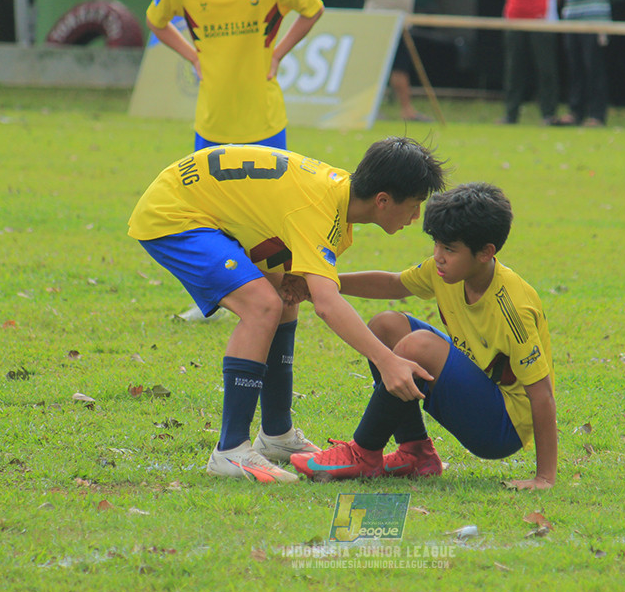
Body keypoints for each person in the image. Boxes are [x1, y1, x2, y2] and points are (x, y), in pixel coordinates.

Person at [128, 138, 448, 483]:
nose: (416, 218)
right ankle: (230, 450)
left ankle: (277, 435)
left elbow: (308, 283)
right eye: (414, 206)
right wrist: (387, 361)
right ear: (383, 201)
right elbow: (326, 304)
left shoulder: (336, 197)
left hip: (202, 202)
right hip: (174, 212)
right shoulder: (319, 210)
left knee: (283, 296)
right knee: (262, 305)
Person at [290, 183, 558, 489]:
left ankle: (363, 451)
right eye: (437, 245)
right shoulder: (445, 271)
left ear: (486, 252)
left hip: (502, 426)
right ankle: (416, 452)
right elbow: (392, 284)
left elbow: (542, 394)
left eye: (450, 250)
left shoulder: (513, 308)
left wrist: (544, 477)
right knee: (384, 327)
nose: (438, 257)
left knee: (417, 346)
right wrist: (320, 284)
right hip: (479, 389)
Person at [147, 0, 325, 151]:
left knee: (270, 186)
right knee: (211, 186)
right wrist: (193, 57)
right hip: (212, 123)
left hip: (266, 122)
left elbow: (314, 9)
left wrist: (277, 55)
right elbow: (155, 21)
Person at [354, 0, 430, 122]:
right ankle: (367, 110)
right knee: (373, 67)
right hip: (379, 22)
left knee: (401, 66)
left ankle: (407, 110)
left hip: (402, 21)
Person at [497, 0, 566, 126]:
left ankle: (548, 114)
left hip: (541, 16)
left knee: (546, 67)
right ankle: (511, 114)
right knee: (513, 67)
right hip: (515, 15)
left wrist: (550, 6)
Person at [560, 0, 619, 127]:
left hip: (594, 19)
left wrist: (595, 0)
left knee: (593, 67)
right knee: (575, 67)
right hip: (572, 19)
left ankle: (596, 115)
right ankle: (575, 112)